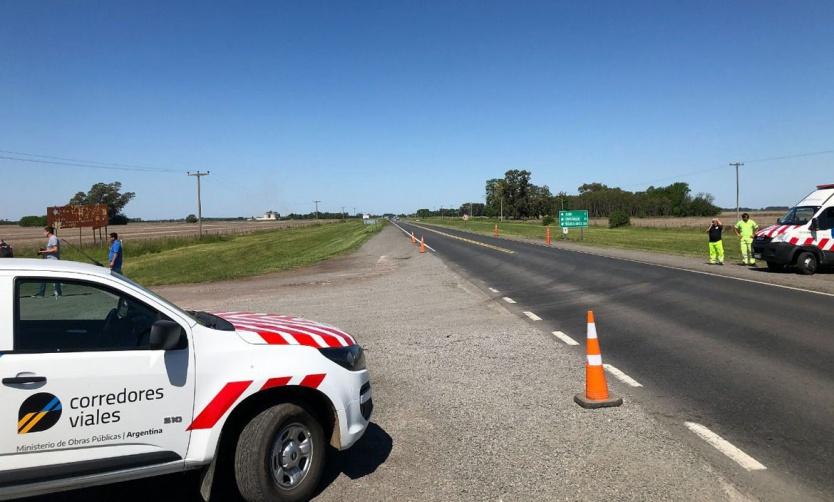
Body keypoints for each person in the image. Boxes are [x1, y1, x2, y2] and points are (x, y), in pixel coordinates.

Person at [34, 226, 62, 297]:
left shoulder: (53, 238)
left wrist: (44, 251)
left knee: (44, 276)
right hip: (50, 259)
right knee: (54, 277)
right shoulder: (51, 239)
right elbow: (51, 248)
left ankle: (41, 293)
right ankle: (58, 292)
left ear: (48, 232)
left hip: (52, 260)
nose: (44, 233)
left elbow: (55, 249)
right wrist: (44, 250)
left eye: (45, 231)